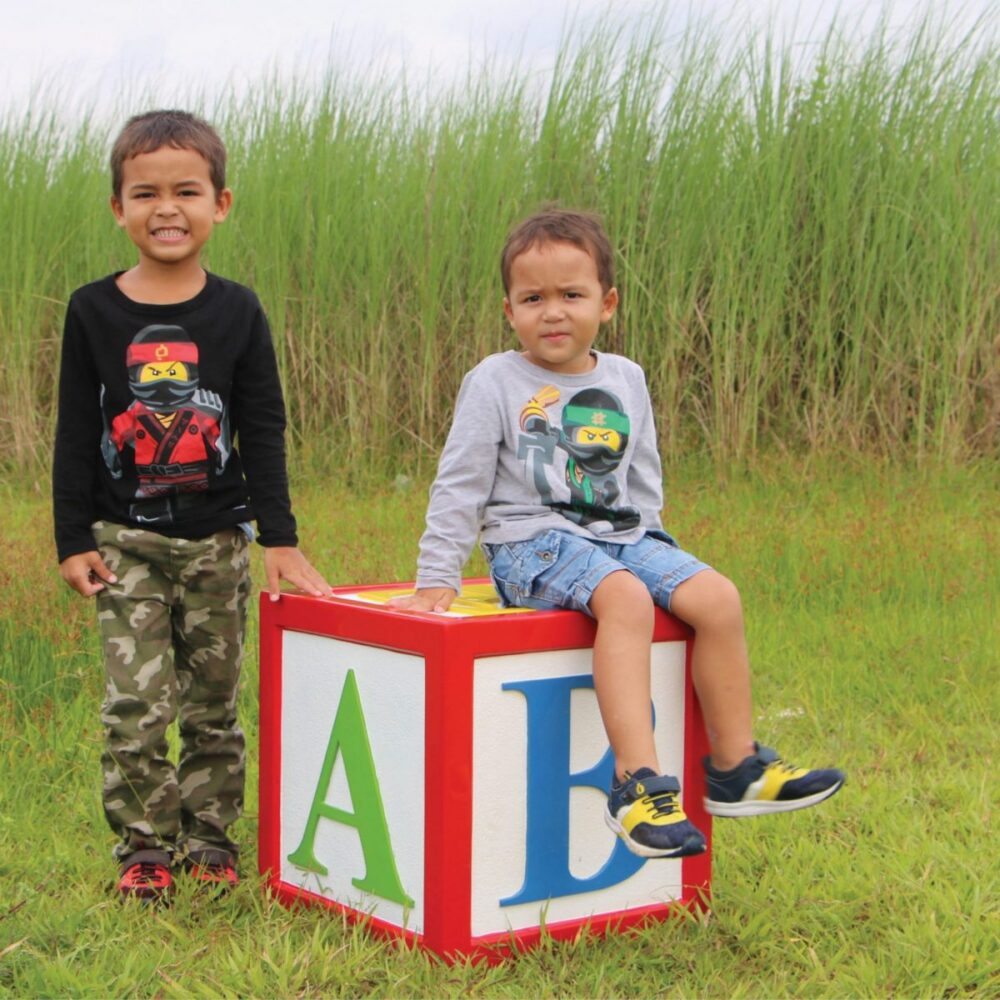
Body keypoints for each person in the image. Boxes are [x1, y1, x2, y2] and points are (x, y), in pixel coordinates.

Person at [390, 208, 844, 859]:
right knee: (625, 598)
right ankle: (637, 786)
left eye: (571, 295)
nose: (552, 312)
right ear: (509, 310)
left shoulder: (625, 377)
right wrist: (436, 578)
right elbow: (459, 483)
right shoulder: (496, 381)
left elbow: (641, 477)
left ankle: (736, 768)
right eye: (533, 298)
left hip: (623, 538)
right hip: (530, 544)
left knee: (717, 597)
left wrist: (664, 559)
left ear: (606, 304)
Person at [52, 110, 332, 902]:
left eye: (186, 190)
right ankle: (144, 846)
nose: (166, 207)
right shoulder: (91, 310)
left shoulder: (237, 311)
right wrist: (72, 537)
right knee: (136, 703)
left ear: (221, 204)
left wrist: (276, 536)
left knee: (212, 703)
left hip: (216, 541)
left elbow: (263, 427)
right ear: (118, 208)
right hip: (124, 543)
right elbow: (75, 432)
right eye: (145, 192)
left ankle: (210, 838)